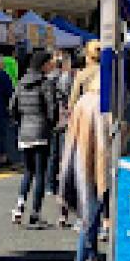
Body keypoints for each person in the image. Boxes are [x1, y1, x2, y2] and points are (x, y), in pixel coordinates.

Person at [60, 67, 110, 261]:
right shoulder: (102, 105)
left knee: (89, 211)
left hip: (76, 158)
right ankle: (80, 260)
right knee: (92, 212)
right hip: (94, 160)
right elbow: (105, 140)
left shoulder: (81, 101)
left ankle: (90, 257)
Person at [10, 50, 57, 228]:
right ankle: (35, 213)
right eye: (49, 62)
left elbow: (12, 107)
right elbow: (52, 109)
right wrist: (50, 125)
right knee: (40, 174)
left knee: (28, 172)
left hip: (24, 131)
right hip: (41, 131)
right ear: (43, 64)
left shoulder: (21, 82)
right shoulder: (45, 83)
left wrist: (21, 121)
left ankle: (19, 206)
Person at [47, 51, 75, 225]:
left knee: (53, 155)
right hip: (65, 120)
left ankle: (51, 186)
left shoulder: (49, 78)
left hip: (54, 121)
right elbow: (68, 98)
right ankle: (65, 202)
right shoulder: (67, 78)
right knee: (65, 158)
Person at [68, 41, 101, 113]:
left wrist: (70, 109)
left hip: (87, 111)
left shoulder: (82, 74)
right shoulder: (108, 71)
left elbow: (74, 96)